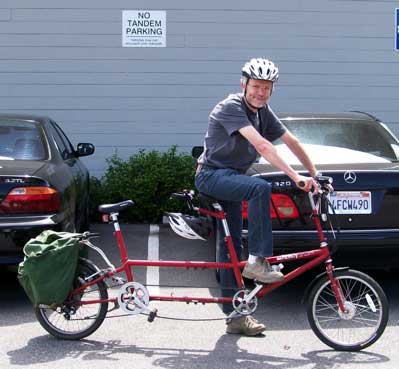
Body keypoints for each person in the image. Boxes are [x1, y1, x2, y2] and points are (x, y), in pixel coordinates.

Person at [194, 58, 319, 336]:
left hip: (231, 180)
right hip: (212, 176)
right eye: (256, 86)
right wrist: (295, 177)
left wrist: (315, 173)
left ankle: (236, 316)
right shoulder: (231, 107)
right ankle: (259, 260)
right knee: (259, 187)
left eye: (266, 88)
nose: (260, 92)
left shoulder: (263, 113)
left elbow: (291, 141)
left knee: (231, 247)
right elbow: (261, 145)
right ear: (244, 85)